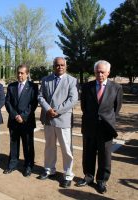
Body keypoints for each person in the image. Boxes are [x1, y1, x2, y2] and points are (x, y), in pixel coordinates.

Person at [76, 60, 123, 194]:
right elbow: (84, 107)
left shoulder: (116, 88)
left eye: (102, 72)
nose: (100, 74)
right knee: (88, 153)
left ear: (108, 72)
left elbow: (116, 108)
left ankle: (102, 180)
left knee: (105, 155)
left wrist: (106, 119)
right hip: (90, 125)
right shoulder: (87, 87)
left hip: (106, 127)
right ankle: (88, 176)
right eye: (97, 72)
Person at [37, 57, 78, 188]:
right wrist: (48, 109)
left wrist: (58, 110)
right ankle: (49, 169)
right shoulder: (45, 79)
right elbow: (40, 96)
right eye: (57, 65)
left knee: (66, 148)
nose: (59, 67)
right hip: (48, 117)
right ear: (53, 66)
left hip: (63, 118)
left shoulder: (71, 80)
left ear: (66, 66)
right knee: (49, 146)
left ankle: (67, 174)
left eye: (62, 65)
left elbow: (73, 99)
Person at [4, 64, 38, 177]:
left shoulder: (33, 87)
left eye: (22, 73)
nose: (19, 75)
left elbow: (33, 104)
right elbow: (7, 102)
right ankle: (12, 164)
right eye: (18, 73)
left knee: (28, 144)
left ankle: (29, 165)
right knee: (14, 143)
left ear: (27, 74)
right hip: (14, 121)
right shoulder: (11, 86)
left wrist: (22, 116)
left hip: (27, 121)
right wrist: (15, 115)